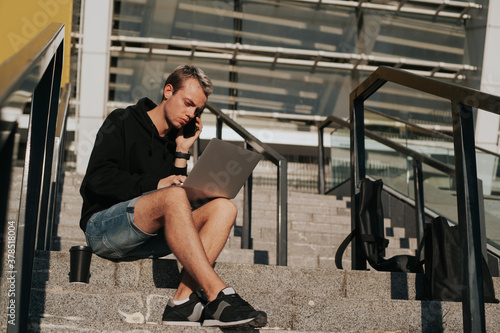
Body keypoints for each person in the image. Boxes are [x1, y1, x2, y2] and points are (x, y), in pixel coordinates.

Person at [79, 65, 267, 328]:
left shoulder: (175, 140)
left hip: (150, 236)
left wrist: (181, 151)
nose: (191, 114)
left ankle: (181, 302)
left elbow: (171, 198)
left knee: (224, 208)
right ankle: (216, 293)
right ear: (168, 91)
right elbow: (97, 181)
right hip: (104, 229)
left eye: (197, 110)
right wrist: (157, 183)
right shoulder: (121, 121)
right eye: (188, 103)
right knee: (173, 196)